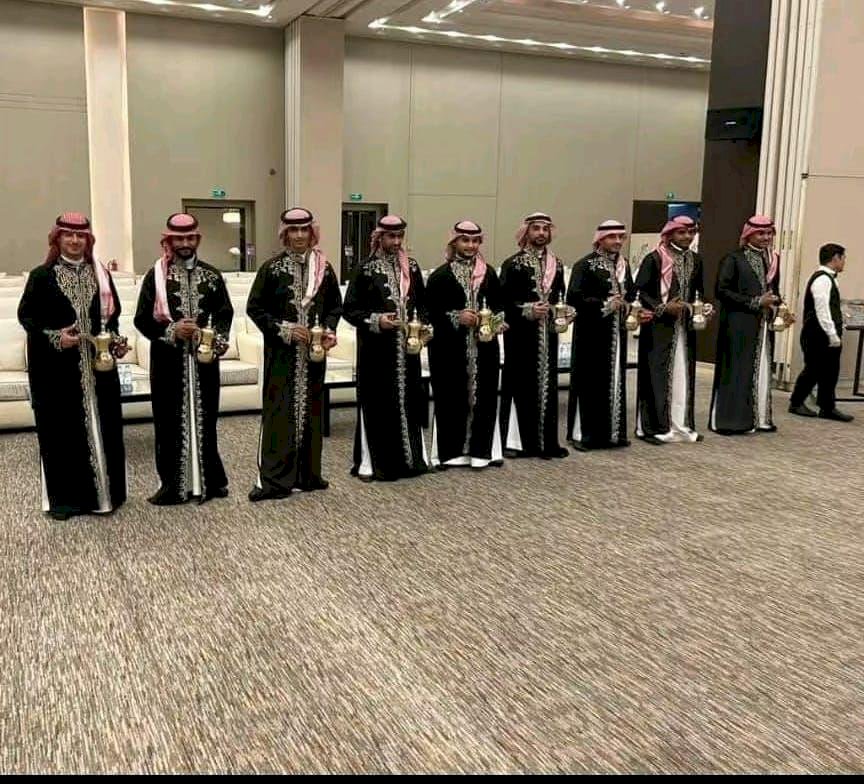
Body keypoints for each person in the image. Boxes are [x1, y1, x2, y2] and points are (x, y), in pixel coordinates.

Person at [18, 213, 128, 520]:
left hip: (98, 369)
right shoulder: (42, 276)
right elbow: (27, 318)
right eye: (68, 235)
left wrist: (115, 341)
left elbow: (112, 318)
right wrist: (56, 337)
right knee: (62, 433)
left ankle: (104, 497)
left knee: (104, 427)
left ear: (88, 240)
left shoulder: (101, 275)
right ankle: (66, 501)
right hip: (57, 372)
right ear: (58, 239)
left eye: (81, 236)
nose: (75, 241)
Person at [134, 213, 233, 505]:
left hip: (204, 361)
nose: (185, 244)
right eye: (179, 239)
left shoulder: (212, 276)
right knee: (168, 422)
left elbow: (224, 313)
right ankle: (172, 486)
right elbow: (142, 319)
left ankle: (211, 481)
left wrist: (216, 339)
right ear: (169, 241)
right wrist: (172, 331)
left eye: (190, 238)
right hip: (168, 361)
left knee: (207, 420)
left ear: (197, 239)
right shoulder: (156, 277)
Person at [246, 208, 343, 502]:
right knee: (279, 413)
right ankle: (275, 480)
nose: (299, 236)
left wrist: (327, 330)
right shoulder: (272, 268)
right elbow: (255, 308)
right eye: (293, 230)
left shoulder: (324, 269)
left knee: (311, 412)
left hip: (313, 356)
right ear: (285, 234)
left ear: (312, 233)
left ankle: (308, 475)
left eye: (304, 230)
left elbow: (335, 307)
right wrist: (285, 330)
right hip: (282, 355)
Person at [343, 215, 430, 481]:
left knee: (408, 401)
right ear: (379, 237)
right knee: (378, 405)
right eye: (391, 236)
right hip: (376, 351)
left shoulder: (411, 267)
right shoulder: (365, 268)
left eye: (400, 236)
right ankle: (373, 464)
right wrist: (376, 320)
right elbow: (350, 310)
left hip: (408, 350)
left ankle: (411, 461)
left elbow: (423, 304)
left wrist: (423, 326)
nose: (396, 241)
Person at [426, 220, 506, 470]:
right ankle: (450, 453)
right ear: (455, 242)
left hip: (484, 348)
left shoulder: (489, 273)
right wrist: (456, 317)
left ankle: (483, 452)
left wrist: (497, 322)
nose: (470, 246)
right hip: (449, 349)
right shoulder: (440, 276)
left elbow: (500, 306)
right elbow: (429, 313)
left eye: (475, 241)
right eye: (465, 240)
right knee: (451, 397)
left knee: (485, 398)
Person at [634, 215, 711, 444]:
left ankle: (681, 425)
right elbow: (639, 292)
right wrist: (662, 307)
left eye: (691, 232)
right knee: (656, 376)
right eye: (682, 232)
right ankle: (654, 427)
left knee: (682, 375)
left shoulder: (696, 260)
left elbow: (698, 291)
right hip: (658, 327)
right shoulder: (654, 258)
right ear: (669, 234)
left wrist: (703, 307)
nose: (687, 236)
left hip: (684, 328)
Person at [566, 219, 642, 450]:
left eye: (620, 237)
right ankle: (585, 435)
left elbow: (631, 293)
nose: (617, 241)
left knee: (615, 380)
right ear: (600, 239)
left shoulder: (623, 265)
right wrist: (604, 304)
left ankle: (613, 433)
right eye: (612, 237)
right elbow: (574, 298)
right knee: (590, 382)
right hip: (591, 335)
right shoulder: (585, 265)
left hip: (616, 334)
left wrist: (630, 306)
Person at [499, 212, 569, 459]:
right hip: (521, 336)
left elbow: (560, 297)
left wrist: (564, 312)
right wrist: (527, 310)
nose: (541, 233)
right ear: (526, 232)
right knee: (521, 384)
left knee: (547, 385)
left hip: (547, 335)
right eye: (536, 228)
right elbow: (502, 302)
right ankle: (518, 442)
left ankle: (546, 442)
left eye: (545, 229)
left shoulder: (556, 264)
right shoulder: (513, 263)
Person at [709, 215, 786, 435]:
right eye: (761, 233)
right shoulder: (733, 259)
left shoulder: (772, 260)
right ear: (749, 234)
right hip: (737, 323)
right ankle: (731, 421)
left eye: (769, 233)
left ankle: (759, 418)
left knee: (761, 368)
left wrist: (779, 306)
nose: (766, 238)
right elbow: (721, 291)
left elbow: (773, 291)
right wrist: (755, 302)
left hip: (762, 325)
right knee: (736, 370)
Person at [788, 243, 854, 422]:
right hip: (818, 334)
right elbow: (822, 309)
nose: (844, 262)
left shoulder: (829, 279)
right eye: (843, 258)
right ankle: (796, 402)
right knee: (814, 369)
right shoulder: (823, 280)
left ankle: (827, 407)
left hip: (823, 333)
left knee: (830, 371)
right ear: (835, 258)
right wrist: (832, 334)